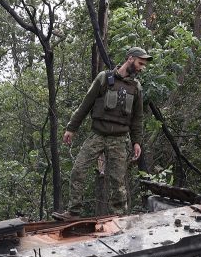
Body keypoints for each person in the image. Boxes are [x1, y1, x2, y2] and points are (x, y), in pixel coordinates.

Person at [57, 46, 152, 218]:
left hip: (120, 138)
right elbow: (85, 105)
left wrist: (137, 141)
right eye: (140, 63)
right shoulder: (104, 78)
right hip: (98, 135)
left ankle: (119, 218)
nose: (141, 68)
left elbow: (138, 118)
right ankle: (73, 211)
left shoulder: (136, 87)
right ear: (130, 58)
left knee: (118, 181)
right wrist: (72, 127)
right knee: (78, 170)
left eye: (143, 65)